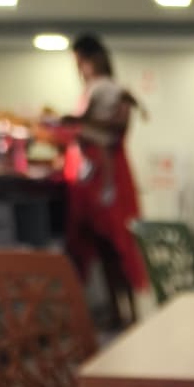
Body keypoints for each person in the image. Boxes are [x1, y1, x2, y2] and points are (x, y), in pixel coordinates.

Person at [61, 33, 147, 328]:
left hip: (109, 177)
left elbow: (118, 129)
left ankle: (129, 312)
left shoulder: (111, 90)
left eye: (80, 62)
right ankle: (117, 311)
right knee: (102, 247)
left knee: (118, 245)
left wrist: (78, 123)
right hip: (92, 176)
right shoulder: (93, 91)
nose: (78, 69)